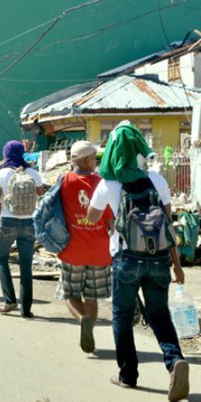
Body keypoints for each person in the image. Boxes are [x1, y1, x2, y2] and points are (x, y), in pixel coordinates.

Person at [86, 124, 189, 399]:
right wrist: (176, 265)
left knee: (121, 314)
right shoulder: (157, 179)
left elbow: (92, 217)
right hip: (158, 260)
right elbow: (167, 225)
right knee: (159, 314)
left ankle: (127, 374)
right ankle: (175, 360)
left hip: (125, 259)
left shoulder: (108, 184)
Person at [57, 141, 114, 353]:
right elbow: (110, 221)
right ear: (88, 159)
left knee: (70, 293)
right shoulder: (101, 183)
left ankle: (83, 319)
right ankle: (89, 323)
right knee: (93, 295)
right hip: (99, 251)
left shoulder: (64, 181)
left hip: (73, 250)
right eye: (94, 158)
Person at [0, 140, 43, 318]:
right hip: (29, 223)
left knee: (1, 259)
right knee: (26, 266)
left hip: (8, 222)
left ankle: (10, 301)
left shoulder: (1, 174)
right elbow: (41, 195)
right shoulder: (33, 173)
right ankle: (26, 309)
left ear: (6, 154)